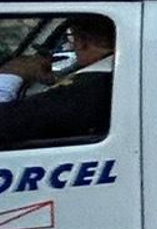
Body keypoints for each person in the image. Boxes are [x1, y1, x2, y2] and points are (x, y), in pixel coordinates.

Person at [0, 16, 116, 148]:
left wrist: (11, 76)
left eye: (71, 38)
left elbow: (6, 124)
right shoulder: (119, 78)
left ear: (81, 42)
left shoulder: (82, 92)